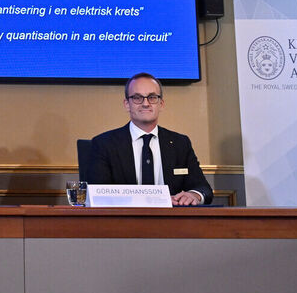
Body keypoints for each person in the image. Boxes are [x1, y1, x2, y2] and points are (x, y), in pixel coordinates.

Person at [81, 72, 212, 206]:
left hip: (171, 217)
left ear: (161, 104)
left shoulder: (180, 144)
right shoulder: (104, 144)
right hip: (123, 217)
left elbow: (203, 188)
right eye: (137, 98)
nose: (145, 103)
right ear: (127, 104)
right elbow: (97, 194)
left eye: (152, 97)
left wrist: (194, 195)